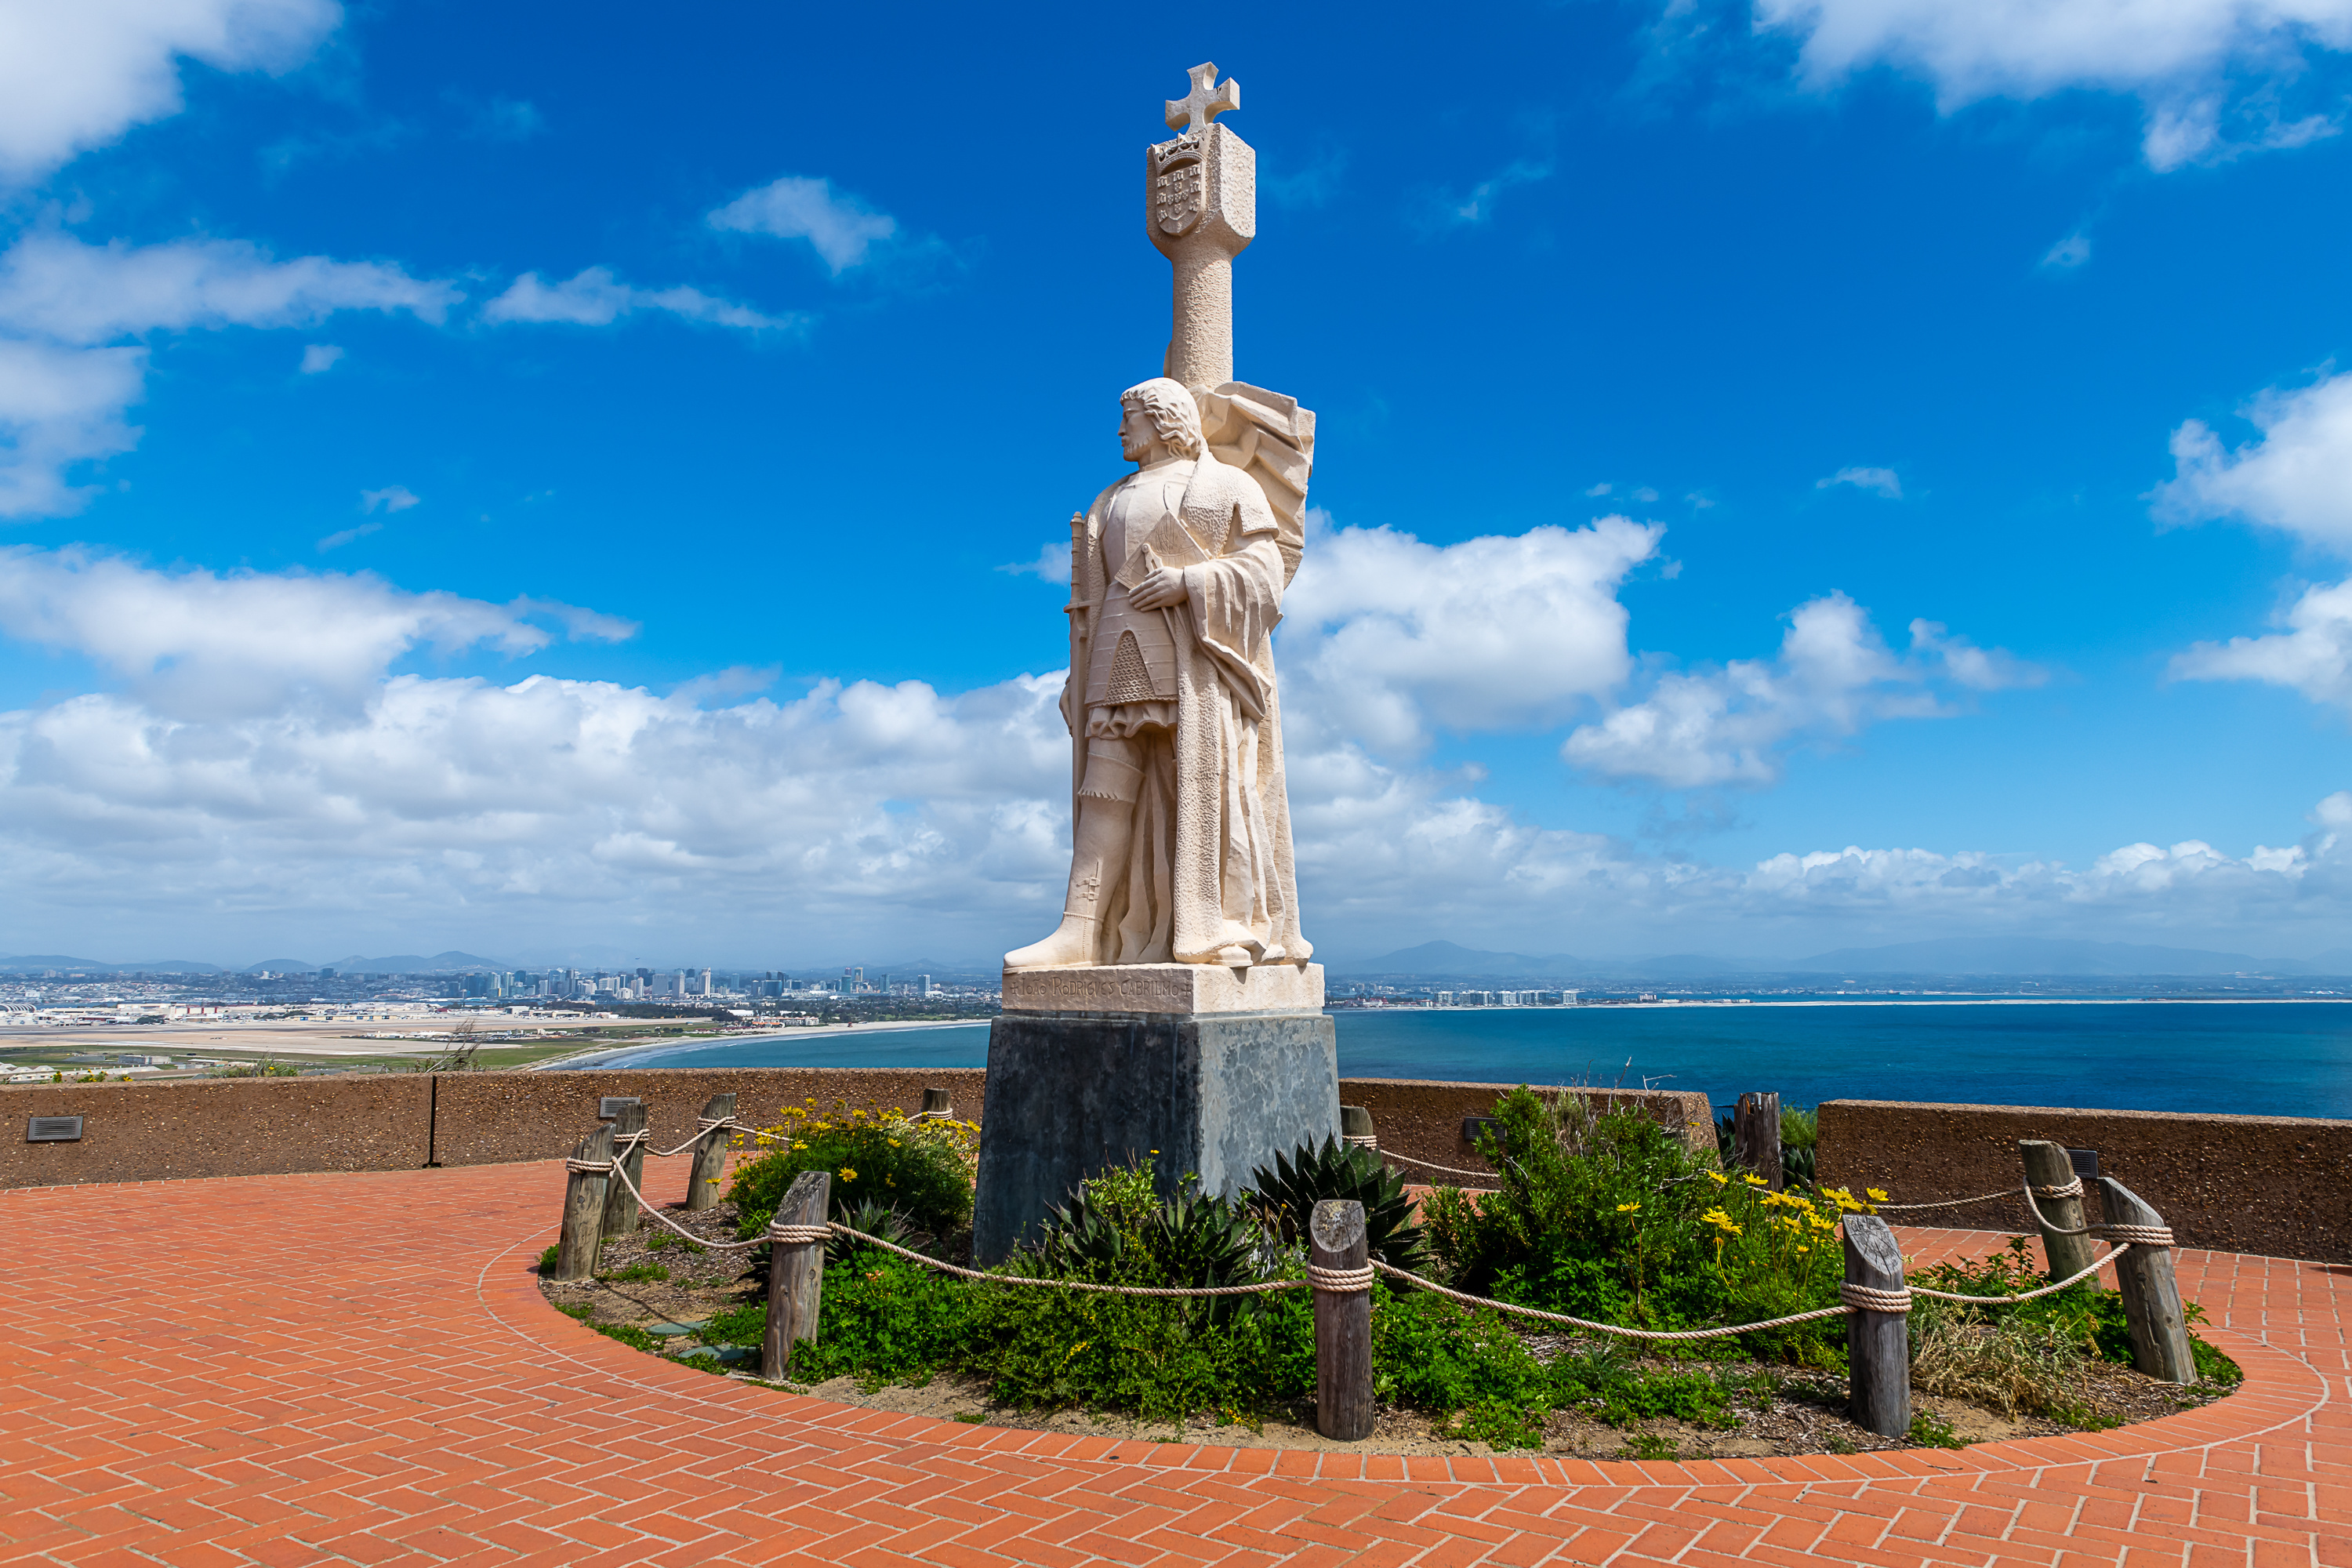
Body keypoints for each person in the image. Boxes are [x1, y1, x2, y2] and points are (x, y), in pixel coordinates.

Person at [1004, 376, 1310, 971]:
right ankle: (1081, 928)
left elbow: (1266, 567)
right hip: (1115, 659)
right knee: (1104, 790)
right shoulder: (1107, 500)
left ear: (1165, 420)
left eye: (1131, 418)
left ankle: (1206, 919)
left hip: (1192, 661)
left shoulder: (1224, 485)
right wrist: (1078, 675)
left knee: (1197, 790)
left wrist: (1192, 582)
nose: (1121, 430)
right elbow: (1088, 605)